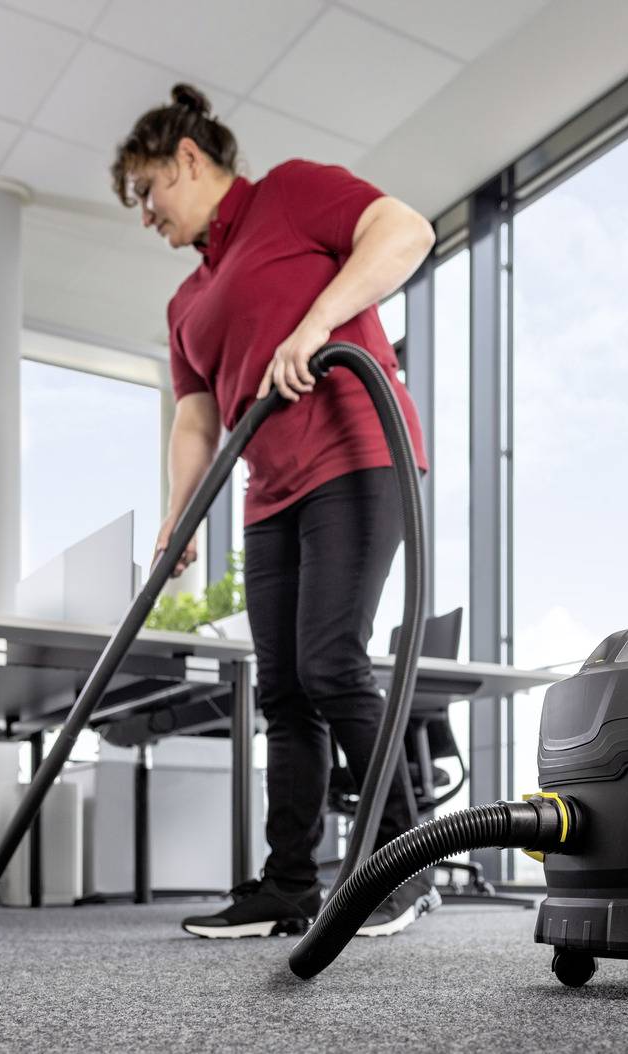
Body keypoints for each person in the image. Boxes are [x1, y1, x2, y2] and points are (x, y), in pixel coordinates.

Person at [112, 84, 437, 939]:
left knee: (332, 664)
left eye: (148, 191)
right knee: (285, 693)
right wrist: (176, 517)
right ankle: (289, 882)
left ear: (188, 157)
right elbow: (195, 417)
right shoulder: (186, 302)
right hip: (270, 491)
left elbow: (407, 231)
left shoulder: (290, 193)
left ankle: (403, 863)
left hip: (359, 455)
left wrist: (316, 323)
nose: (146, 214)